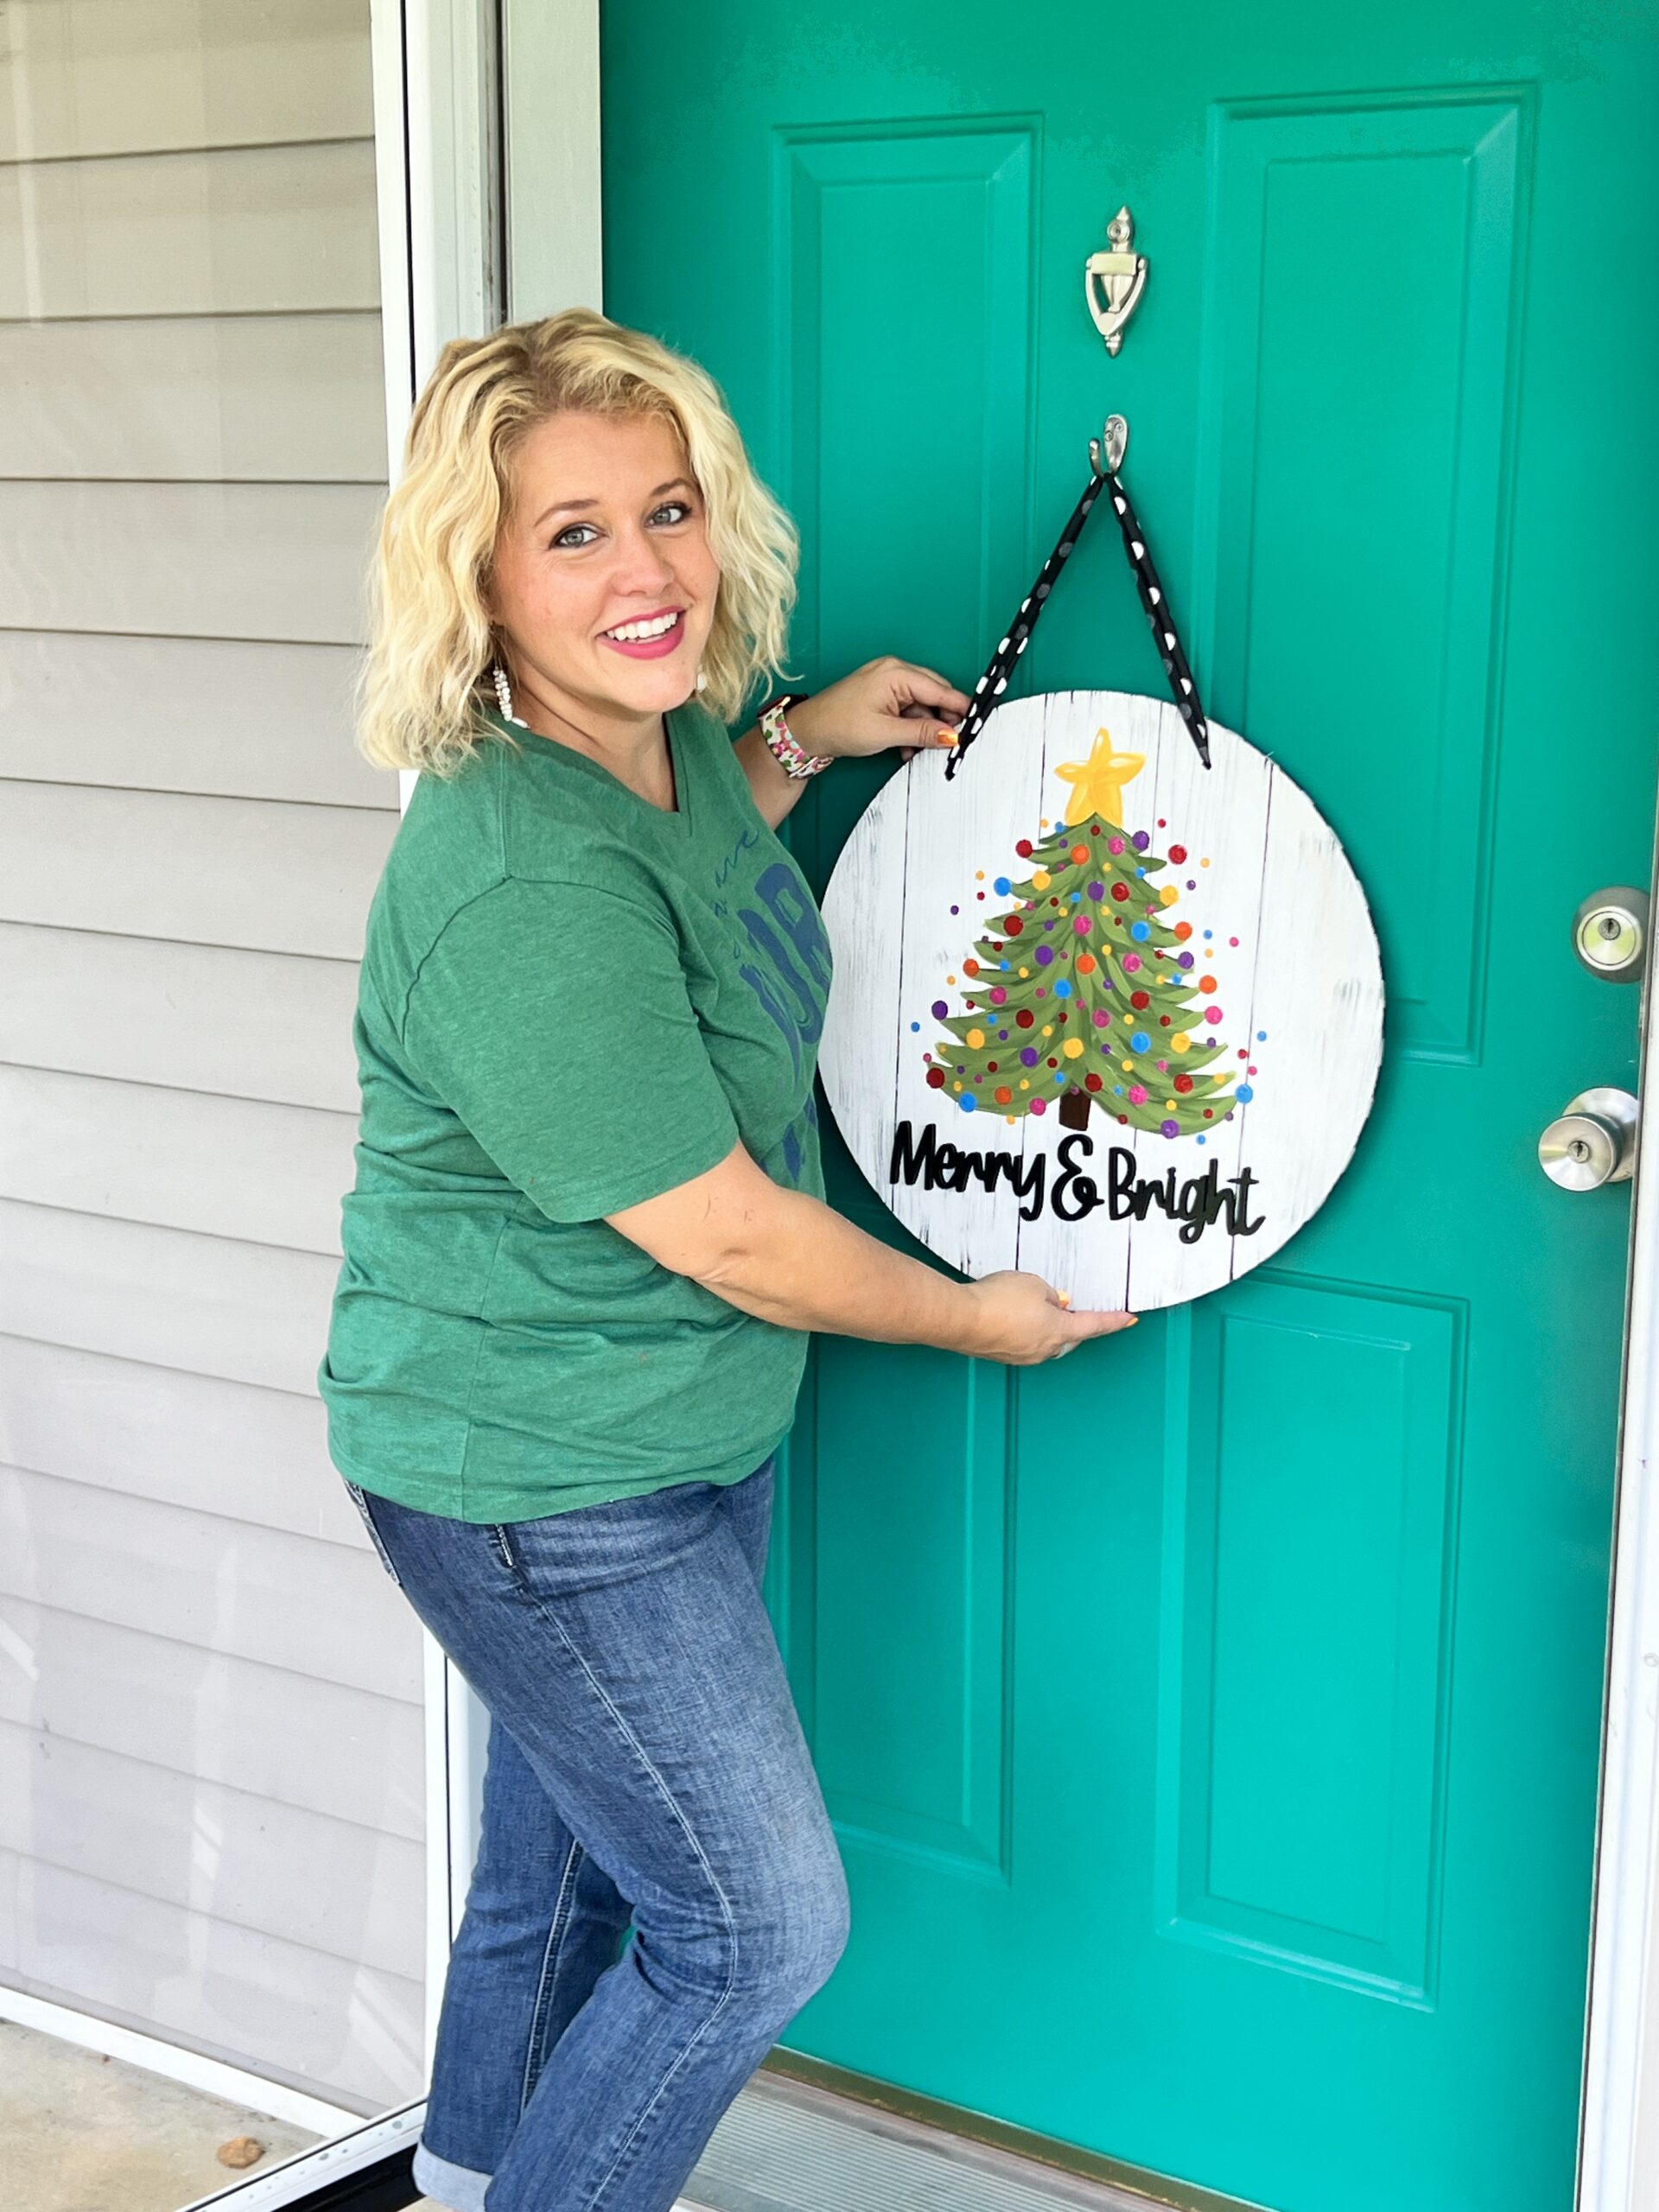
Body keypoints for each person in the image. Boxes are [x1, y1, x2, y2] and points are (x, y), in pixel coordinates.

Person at [318, 306, 1135, 2212]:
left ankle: (465, 2177)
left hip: (662, 1431)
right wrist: (976, 1318)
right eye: (574, 531)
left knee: (573, 1871)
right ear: (482, 577)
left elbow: (695, 910)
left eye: (666, 508)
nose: (646, 568)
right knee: (753, 1924)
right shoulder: (516, 873)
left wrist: (797, 738)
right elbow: (731, 1230)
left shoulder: (665, 745)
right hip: (536, 1476)